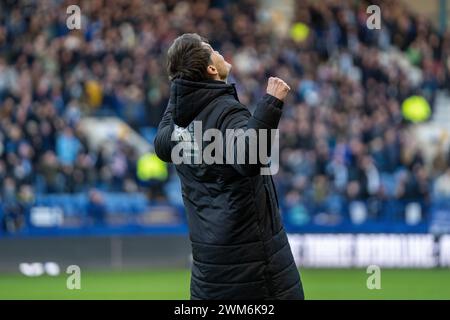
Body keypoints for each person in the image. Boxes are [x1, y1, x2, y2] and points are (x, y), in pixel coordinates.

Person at [154, 33, 304, 300]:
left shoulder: (179, 124)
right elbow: (249, 158)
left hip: (208, 274)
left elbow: (162, 144)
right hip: (255, 272)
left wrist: (182, 84)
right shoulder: (226, 112)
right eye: (212, 49)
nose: (220, 52)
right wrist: (271, 103)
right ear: (211, 69)